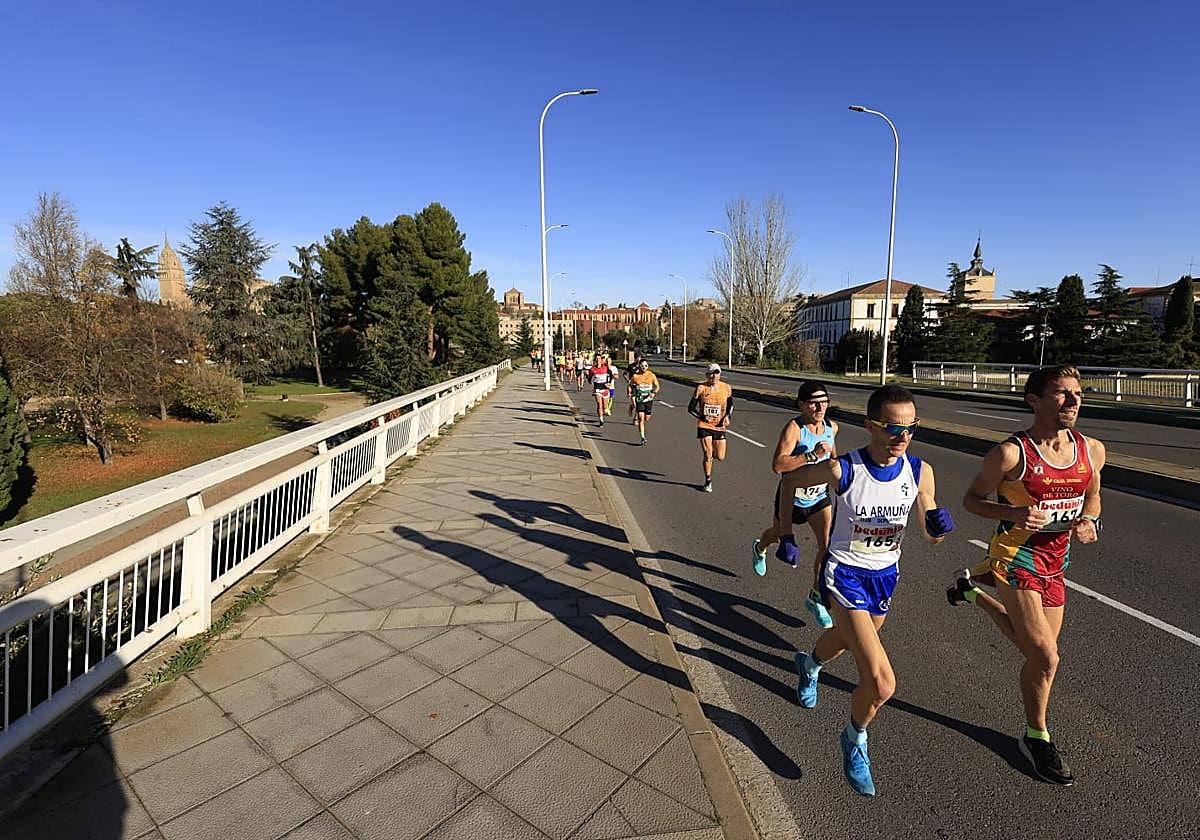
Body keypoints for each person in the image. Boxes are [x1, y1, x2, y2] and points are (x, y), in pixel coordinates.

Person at [786, 384, 955, 796]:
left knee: (848, 639)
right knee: (881, 683)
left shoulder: (920, 471)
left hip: (884, 574)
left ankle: (810, 664)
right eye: (893, 428)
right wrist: (784, 530)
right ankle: (855, 737)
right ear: (871, 426)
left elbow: (929, 531)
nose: (903, 436)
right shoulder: (842, 469)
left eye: (911, 428)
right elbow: (791, 482)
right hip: (844, 574)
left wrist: (937, 527)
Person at [948, 365, 1104, 787]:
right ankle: (1037, 737)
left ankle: (971, 594)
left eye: (1077, 393)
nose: (1073, 400)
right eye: (1061, 393)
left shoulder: (1091, 450)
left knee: (1036, 652)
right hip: (1015, 557)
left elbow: (1094, 497)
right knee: (1047, 657)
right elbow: (971, 500)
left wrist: (1091, 520)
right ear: (1033, 400)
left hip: (1056, 561)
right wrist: (1013, 512)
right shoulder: (1011, 454)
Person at [751, 381, 839, 630]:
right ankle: (760, 547)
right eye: (814, 403)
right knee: (777, 535)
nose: (820, 407)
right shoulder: (794, 429)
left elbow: (833, 459)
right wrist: (810, 456)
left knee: (827, 548)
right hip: (792, 497)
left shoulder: (832, 427)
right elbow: (778, 465)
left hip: (819, 497)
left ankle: (816, 597)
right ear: (801, 404)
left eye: (824, 402)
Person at [688, 364, 733, 493]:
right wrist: (702, 416)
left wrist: (728, 416)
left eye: (716, 373)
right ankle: (708, 480)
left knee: (720, 456)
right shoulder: (701, 388)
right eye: (711, 373)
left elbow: (730, 403)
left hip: (719, 426)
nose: (714, 376)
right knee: (708, 455)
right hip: (704, 425)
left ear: (720, 374)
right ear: (707, 375)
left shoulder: (726, 388)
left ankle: (711, 455)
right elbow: (691, 408)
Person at [627, 359, 660, 445]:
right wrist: (629, 392)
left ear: (648, 366)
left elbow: (657, 386)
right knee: (641, 418)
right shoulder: (635, 376)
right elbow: (629, 385)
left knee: (647, 418)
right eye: (642, 366)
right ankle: (642, 437)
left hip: (648, 400)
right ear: (639, 366)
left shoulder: (651, 375)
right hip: (639, 399)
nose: (644, 367)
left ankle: (632, 406)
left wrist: (653, 393)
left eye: (645, 366)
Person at [588, 355, 613, 426]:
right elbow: (589, 378)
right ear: (595, 360)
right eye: (596, 359)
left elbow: (611, 375)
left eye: (599, 359)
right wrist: (591, 382)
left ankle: (606, 409)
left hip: (605, 389)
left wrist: (609, 383)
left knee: (605, 407)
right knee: (599, 405)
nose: (598, 360)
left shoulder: (605, 368)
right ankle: (601, 420)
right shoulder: (592, 369)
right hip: (597, 389)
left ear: (601, 360)